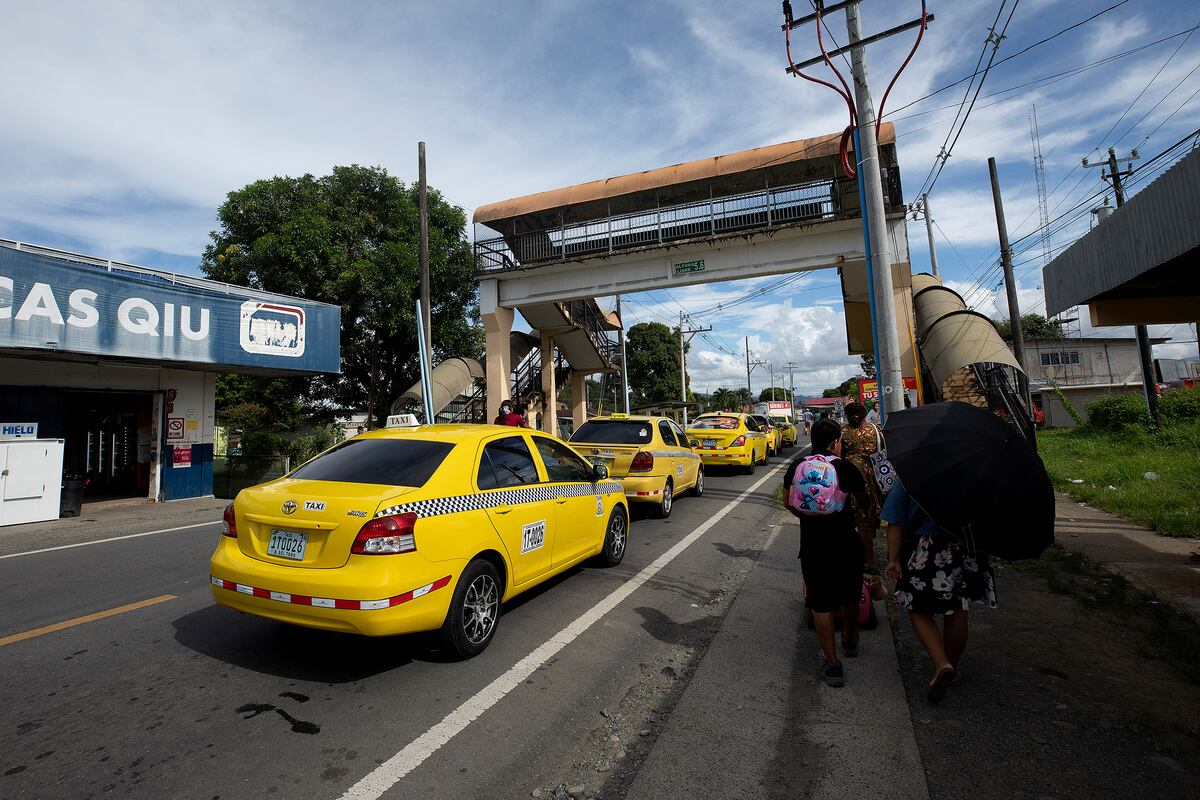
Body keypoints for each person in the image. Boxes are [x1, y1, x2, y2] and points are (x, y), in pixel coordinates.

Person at [883, 479, 997, 704]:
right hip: (965, 548)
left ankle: (941, 662)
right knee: (958, 608)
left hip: (926, 547)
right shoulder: (976, 475)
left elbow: (895, 521)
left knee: (917, 607)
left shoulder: (914, 473)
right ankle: (951, 670)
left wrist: (893, 559)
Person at [784, 419, 870, 688]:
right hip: (846, 541)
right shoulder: (845, 468)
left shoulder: (798, 466)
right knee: (850, 594)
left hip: (812, 544)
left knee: (820, 603)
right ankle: (850, 639)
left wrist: (806, 515)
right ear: (835, 441)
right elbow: (864, 501)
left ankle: (833, 665)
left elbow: (788, 500)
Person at [839, 402, 884, 574]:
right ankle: (871, 562)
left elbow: (838, 455)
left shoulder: (843, 432)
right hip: (871, 480)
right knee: (867, 520)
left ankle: (854, 557)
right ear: (865, 415)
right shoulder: (875, 430)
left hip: (848, 479)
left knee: (851, 520)